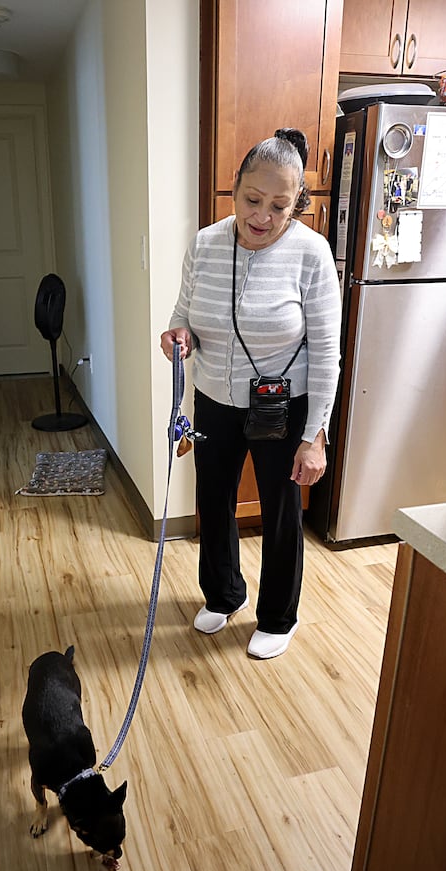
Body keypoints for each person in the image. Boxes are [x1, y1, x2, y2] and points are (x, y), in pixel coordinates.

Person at [159, 127, 341, 660]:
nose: (262, 216)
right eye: (252, 200)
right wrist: (177, 338)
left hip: (284, 406)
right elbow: (182, 318)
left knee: (282, 510)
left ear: (297, 204)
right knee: (213, 502)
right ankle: (223, 594)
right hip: (214, 397)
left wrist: (316, 438)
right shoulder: (206, 244)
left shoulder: (312, 254)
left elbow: (328, 352)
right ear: (234, 189)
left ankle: (279, 616)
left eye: (279, 206)